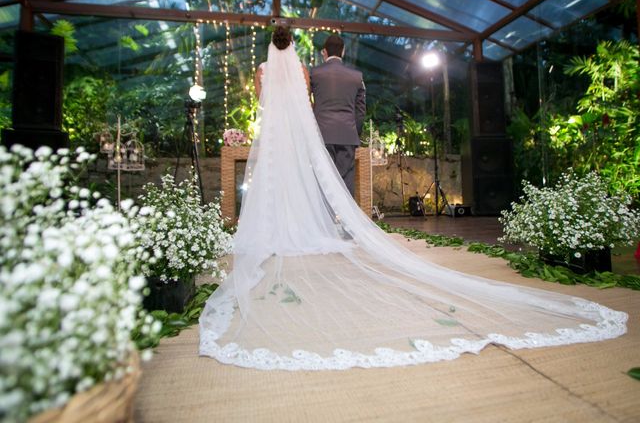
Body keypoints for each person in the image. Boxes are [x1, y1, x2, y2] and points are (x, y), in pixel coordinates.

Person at [199, 27, 627, 371]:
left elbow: (293, 102)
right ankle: (341, 224)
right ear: (341, 48)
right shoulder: (341, 74)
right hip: (343, 133)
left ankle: (311, 223)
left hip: (303, 134)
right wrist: (350, 122)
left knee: (306, 183)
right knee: (341, 183)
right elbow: (357, 104)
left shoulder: (300, 71)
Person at [310, 34, 366, 196]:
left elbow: (306, 103)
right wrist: (355, 132)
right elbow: (360, 110)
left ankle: (323, 219)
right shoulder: (357, 76)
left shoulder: (314, 73)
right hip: (347, 135)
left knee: (322, 179)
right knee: (346, 180)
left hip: (321, 135)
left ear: (324, 52)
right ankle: (345, 220)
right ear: (344, 51)